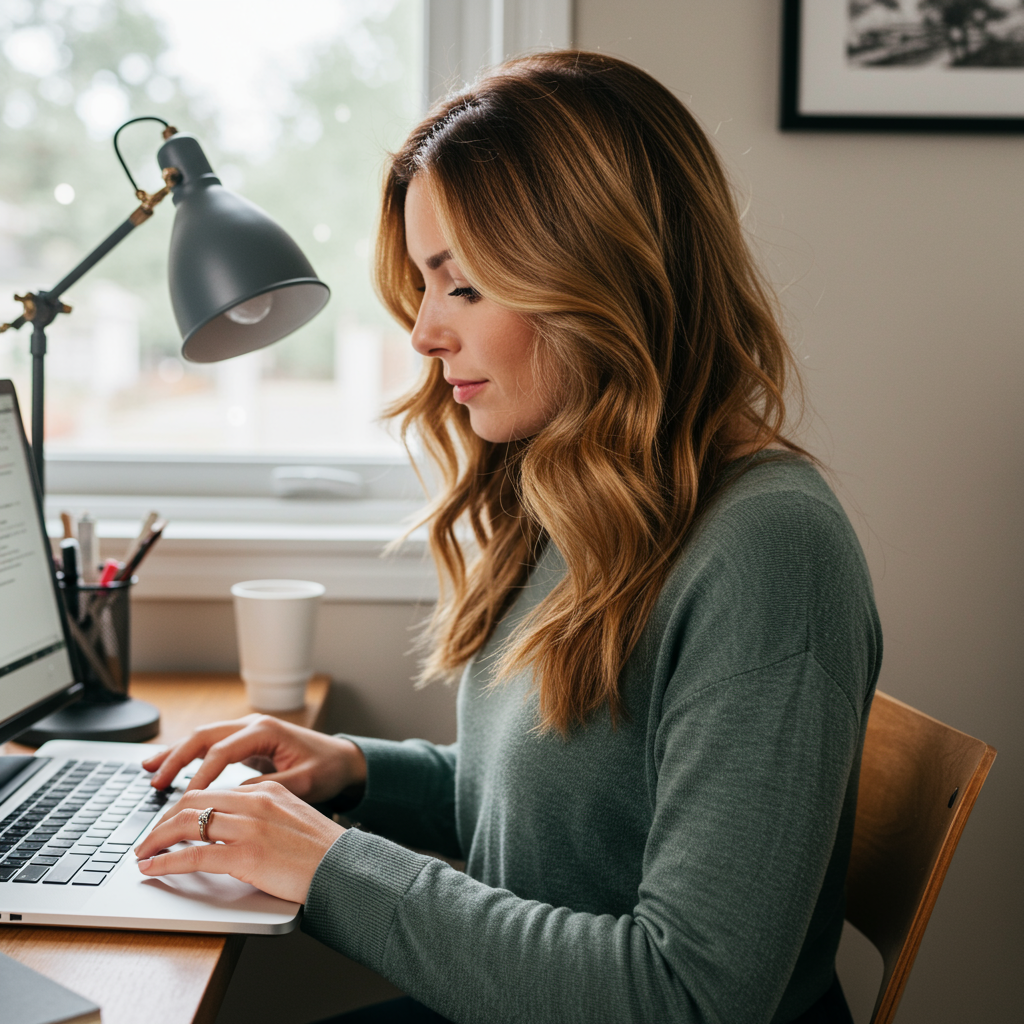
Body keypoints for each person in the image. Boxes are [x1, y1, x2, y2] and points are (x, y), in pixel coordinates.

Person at [133, 50, 882, 1024]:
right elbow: (566, 813)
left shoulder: (769, 550)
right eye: (423, 285)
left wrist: (326, 866)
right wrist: (356, 771)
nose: (422, 334)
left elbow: (691, 992)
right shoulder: (589, 498)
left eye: (464, 287)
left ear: (601, 276)